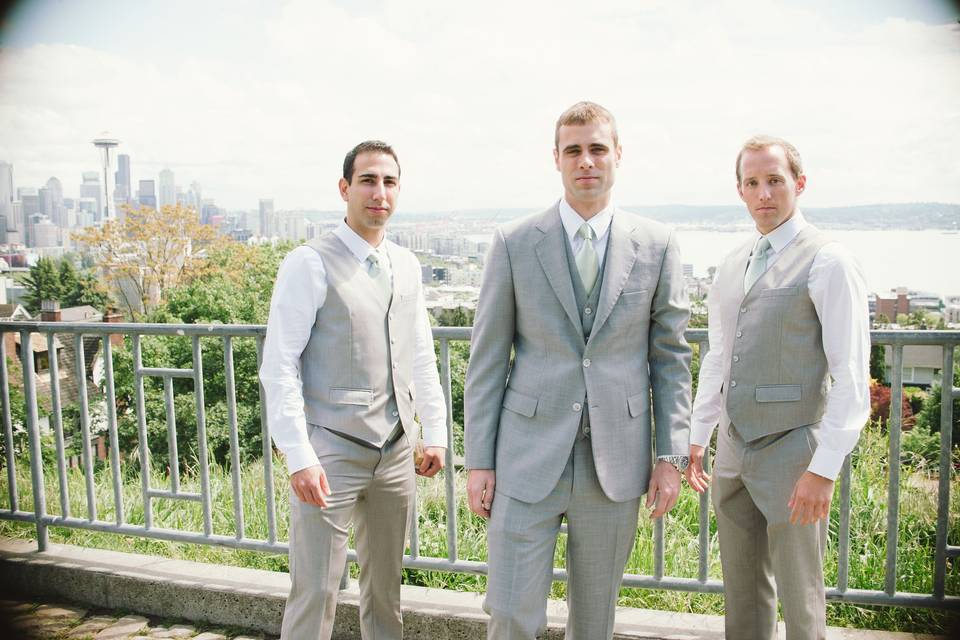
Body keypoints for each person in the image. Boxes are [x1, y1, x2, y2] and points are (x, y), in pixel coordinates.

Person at [464, 101, 692, 640]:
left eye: (596, 148)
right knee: (511, 613)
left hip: (616, 462)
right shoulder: (514, 242)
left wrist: (670, 456)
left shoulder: (658, 244)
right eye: (573, 150)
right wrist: (478, 460)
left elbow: (671, 359)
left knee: (595, 623)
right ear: (557, 159)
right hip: (524, 457)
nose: (585, 160)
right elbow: (487, 361)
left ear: (617, 155)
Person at [259, 140, 447, 640]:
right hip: (330, 452)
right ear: (345, 189)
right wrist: (298, 455)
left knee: (386, 593)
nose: (378, 192)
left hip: (396, 450)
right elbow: (278, 365)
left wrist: (437, 433)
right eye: (367, 180)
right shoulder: (308, 262)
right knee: (316, 592)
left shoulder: (406, 264)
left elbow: (421, 355)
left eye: (388, 182)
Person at [686, 135, 870, 640]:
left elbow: (852, 376)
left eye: (775, 181)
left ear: (799, 184)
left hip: (794, 452)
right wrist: (699, 435)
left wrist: (823, 469)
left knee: (801, 595)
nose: (764, 193)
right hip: (733, 449)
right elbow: (720, 357)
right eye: (752, 183)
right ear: (740, 191)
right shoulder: (731, 264)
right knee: (742, 592)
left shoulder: (830, 261)